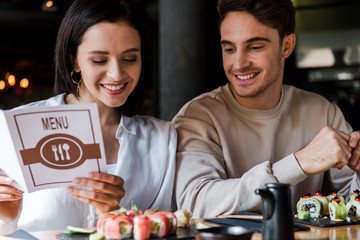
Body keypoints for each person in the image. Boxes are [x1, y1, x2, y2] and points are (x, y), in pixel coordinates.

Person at [0, 0, 176, 234]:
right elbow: (8, 226)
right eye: (99, 60)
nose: (116, 73)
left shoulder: (162, 139)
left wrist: (117, 216)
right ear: (73, 59)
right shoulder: (16, 128)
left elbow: (166, 230)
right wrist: (5, 220)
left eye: (130, 58)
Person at [173, 0, 360, 218]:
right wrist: (299, 163)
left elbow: (351, 200)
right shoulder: (198, 117)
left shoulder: (323, 112)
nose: (239, 63)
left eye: (254, 47)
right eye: (229, 49)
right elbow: (195, 202)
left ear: (286, 46)